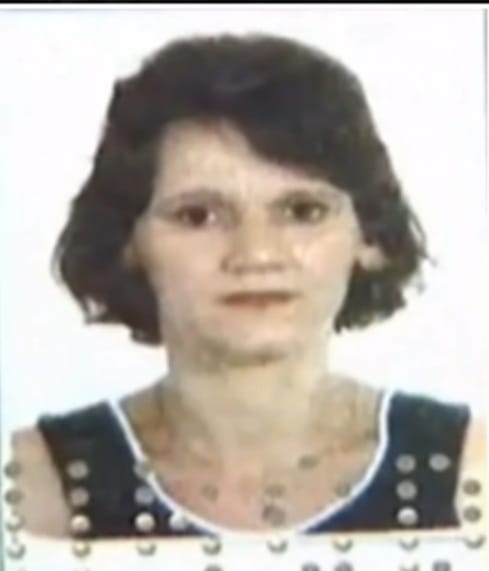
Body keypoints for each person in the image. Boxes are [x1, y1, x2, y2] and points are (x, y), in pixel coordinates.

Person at [7, 33, 485, 540]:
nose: (256, 255)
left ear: (369, 236)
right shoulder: (33, 485)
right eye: (199, 216)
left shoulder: (470, 473)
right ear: (128, 241)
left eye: (303, 211)